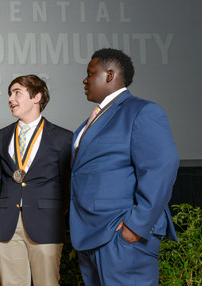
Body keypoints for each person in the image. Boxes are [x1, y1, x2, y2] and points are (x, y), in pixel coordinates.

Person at [69, 48, 179, 285]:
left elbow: (161, 169)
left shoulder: (142, 111)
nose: (85, 80)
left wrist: (135, 226)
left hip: (121, 237)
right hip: (91, 235)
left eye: (90, 73)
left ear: (109, 75)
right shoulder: (93, 119)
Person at [0, 74, 73, 286]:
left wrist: (52, 209)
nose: (10, 98)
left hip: (47, 223)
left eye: (17, 92)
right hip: (7, 222)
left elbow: (68, 185)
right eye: (9, 94)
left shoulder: (63, 137)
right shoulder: (0, 136)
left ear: (36, 97)